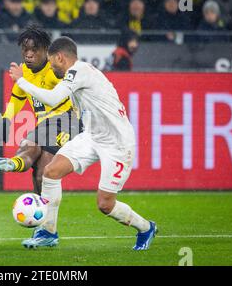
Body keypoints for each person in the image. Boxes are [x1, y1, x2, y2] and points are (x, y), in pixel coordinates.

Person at [8, 36, 157, 250]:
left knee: (105, 204)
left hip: (117, 143)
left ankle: (145, 228)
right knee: (50, 172)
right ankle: (48, 232)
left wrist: (21, 81)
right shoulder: (78, 74)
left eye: (52, 63)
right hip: (92, 136)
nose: (51, 68)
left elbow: (52, 98)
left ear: (60, 57)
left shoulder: (79, 71)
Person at [0, 26, 80, 195]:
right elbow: (17, 98)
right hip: (44, 124)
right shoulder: (23, 71)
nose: (28, 54)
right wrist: (6, 119)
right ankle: (11, 164)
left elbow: (57, 92)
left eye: (34, 50)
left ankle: (14, 165)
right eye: (25, 49)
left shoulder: (54, 70)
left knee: (43, 173)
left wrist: (22, 81)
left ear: (46, 50)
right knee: (33, 162)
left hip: (66, 120)